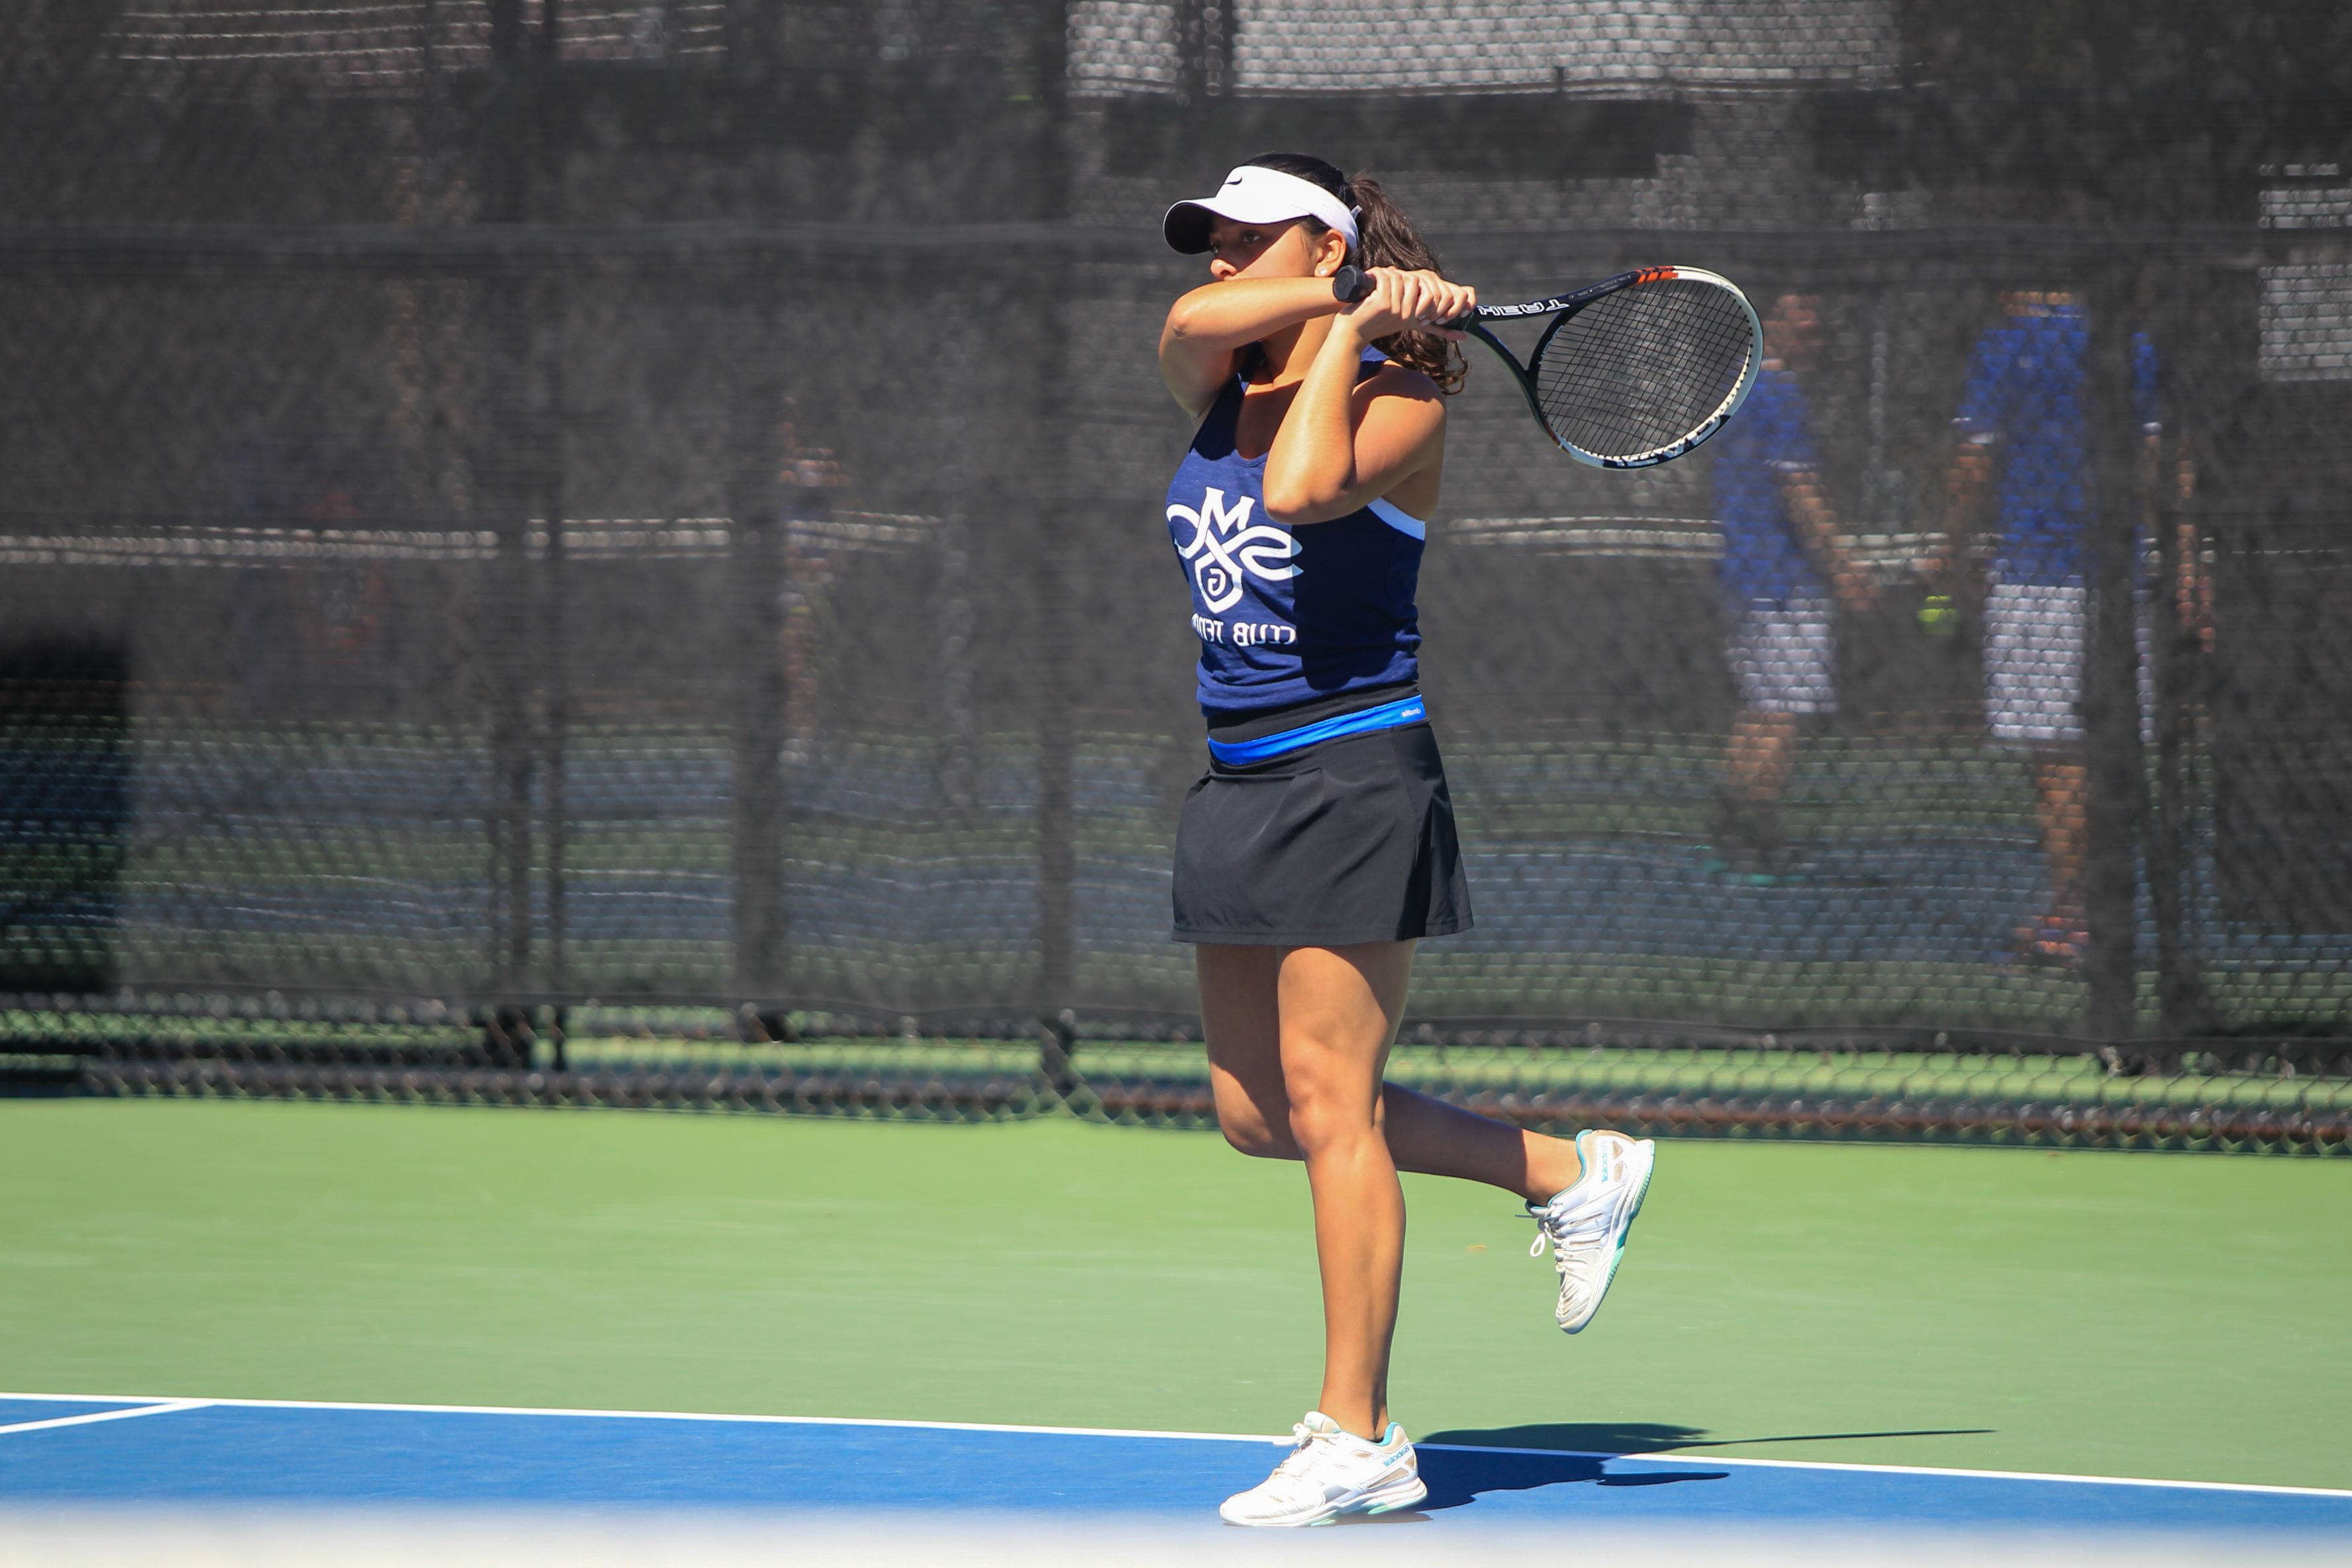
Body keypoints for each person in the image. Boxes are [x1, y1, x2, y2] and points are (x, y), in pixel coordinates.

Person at [1156, 152, 1657, 1528]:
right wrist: (1343, 296)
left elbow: (1306, 489)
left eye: (1241, 242)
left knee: (1330, 1103)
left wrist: (1360, 329)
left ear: (1314, 245)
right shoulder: (1219, 378)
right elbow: (1180, 330)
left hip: (1351, 774)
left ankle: (1358, 1431)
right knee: (1262, 1117)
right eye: (1209, 242)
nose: (1213, 266)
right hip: (1236, 781)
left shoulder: (1404, 398)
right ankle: (1571, 1170)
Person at [1926, 292, 2185, 967]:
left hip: (2036, 581)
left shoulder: (2007, 345)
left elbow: (1972, 465)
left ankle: (2077, 915)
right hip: (2117, 578)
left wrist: (1950, 553)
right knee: (2105, 754)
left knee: (2058, 762)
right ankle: (2089, 907)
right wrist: (2183, 558)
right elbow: (2160, 464)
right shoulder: (2135, 343)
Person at [1708, 293, 1875, 881]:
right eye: (1797, 313)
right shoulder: (1777, 391)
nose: (1812, 325)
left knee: (1762, 706)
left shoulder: (1742, 388)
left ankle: (1735, 825)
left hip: (1747, 575)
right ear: (1771, 321)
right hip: (1781, 581)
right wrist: (1844, 568)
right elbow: (1799, 494)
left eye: (1816, 315)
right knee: (1782, 710)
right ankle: (1755, 830)